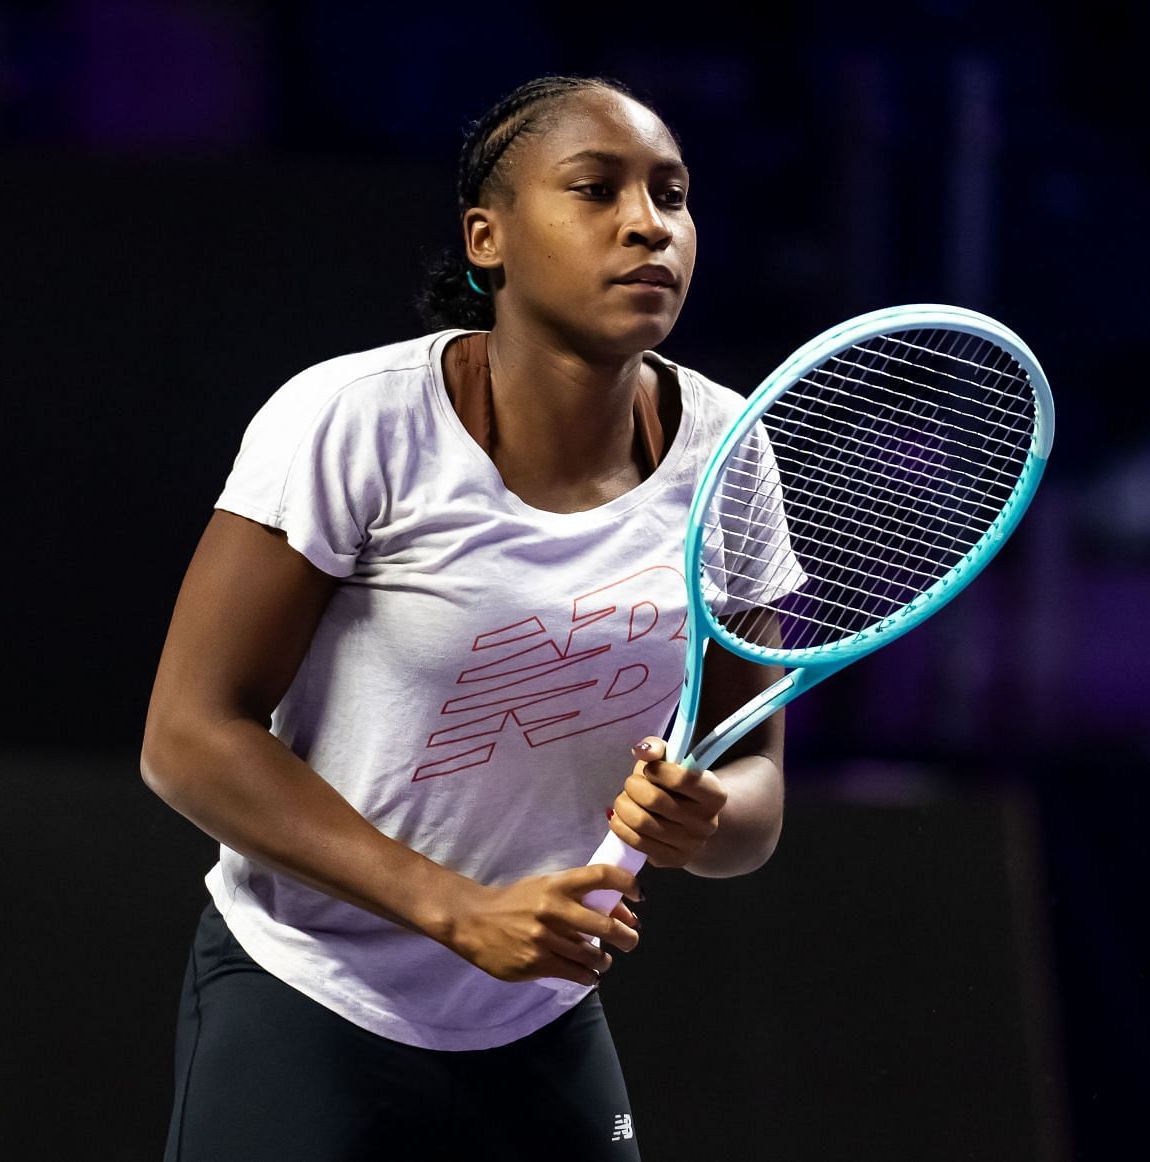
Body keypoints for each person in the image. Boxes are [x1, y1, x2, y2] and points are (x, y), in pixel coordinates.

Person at [139, 74, 785, 1161]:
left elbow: (755, 798)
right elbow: (189, 738)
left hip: (537, 1015)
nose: (647, 224)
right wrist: (455, 910)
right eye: (595, 190)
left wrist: (707, 817)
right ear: (489, 240)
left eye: (671, 196)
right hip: (310, 991)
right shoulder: (354, 422)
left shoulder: (731, 452)